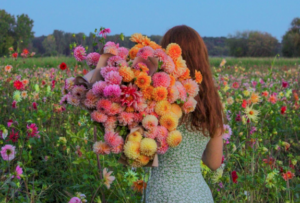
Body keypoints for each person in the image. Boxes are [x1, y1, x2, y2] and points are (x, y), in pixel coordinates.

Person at [146, 25, 225, 203]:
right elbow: (213, 162)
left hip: (162, 195)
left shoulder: (157, 97)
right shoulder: (211, 101)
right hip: (198, 195)